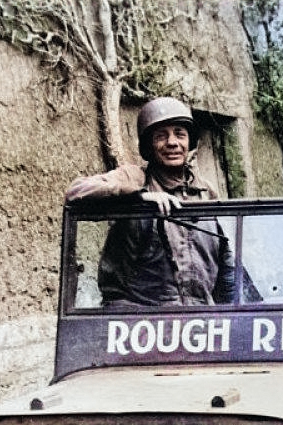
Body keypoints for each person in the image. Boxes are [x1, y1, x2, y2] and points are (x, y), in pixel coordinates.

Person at [65, 96, 234, 307]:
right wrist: (139, 196)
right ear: (149, 145)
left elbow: (227, 264)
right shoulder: (135, 177)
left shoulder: (206, 192)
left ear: (189, 141)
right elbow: (76, 192)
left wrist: (233, 316)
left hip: (198, 323)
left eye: (179, 134)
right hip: (141, 325)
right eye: (161, 136)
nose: (172, 142)